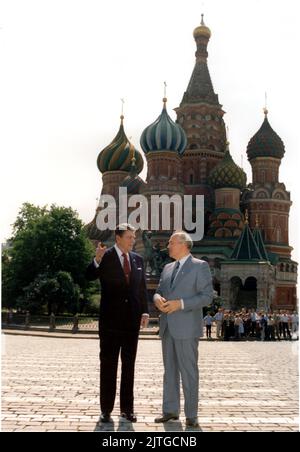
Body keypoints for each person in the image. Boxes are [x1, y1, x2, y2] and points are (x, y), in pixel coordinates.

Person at [86, 223, 149, 423]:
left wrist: (145, 311)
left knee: (129, 366)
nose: (133, 240)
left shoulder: (138, 259)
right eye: (130, 237)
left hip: (131, 323)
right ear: (118, 238)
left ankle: (127, 409)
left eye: (134, 237)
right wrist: (96, 259)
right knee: (109, 365)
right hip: (110, 323)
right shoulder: (106, 257)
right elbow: (88, 276)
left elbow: (141, 288)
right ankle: (106, 409)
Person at [153, 231, 213, 428]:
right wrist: (156, 298)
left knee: (188, 371)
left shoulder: (200, 266)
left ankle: (191, 414)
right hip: (167, 326)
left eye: (171, 243)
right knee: (169, 370)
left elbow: (207, 297)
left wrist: (181, 304)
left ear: (183, 245)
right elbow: (160, 290)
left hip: (187, 327)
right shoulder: (167, 267)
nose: (168, 246)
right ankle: (170, 410)